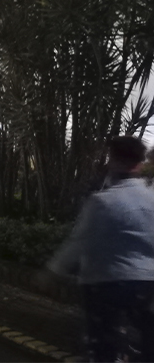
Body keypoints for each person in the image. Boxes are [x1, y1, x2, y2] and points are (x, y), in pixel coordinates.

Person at [48, 136, 154, 362]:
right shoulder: (151, 200)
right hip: (148, 283)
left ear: (113, 160)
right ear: (139, 163)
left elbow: (80, 241)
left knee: (104, 344)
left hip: (106, 284)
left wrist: (54, 270)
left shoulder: (102, 202)